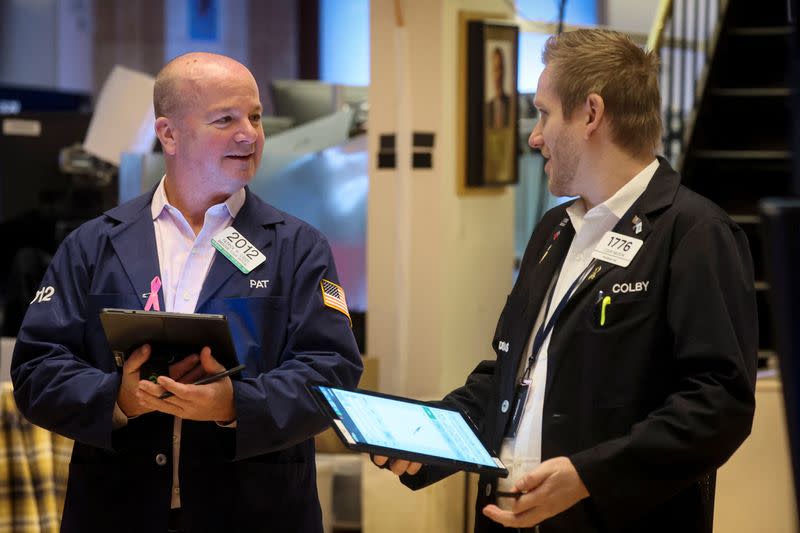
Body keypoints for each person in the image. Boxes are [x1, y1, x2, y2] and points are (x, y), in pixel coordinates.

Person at [374, 29, 757, 532]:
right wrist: (431, 440)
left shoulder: (694, 232)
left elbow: (718, 404)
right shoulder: (554, 230)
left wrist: (589, 476)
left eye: (544, 113)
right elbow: (514, 373)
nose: (534, 137)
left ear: (591, 114)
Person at [11, 52, 362, 533]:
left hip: (256, 513)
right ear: (168, 134)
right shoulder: (94, 243)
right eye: (226, 119)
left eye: (255, 117)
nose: (249, 134)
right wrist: (119, 398)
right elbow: (36, 369)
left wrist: (235, 404)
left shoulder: (297, 246)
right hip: (116, 510)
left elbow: (333, 372)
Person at [486, 46, 511, 129]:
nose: (499, 75)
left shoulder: (512, 104)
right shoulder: (487, 106)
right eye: (496, 69)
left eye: (501, 68)